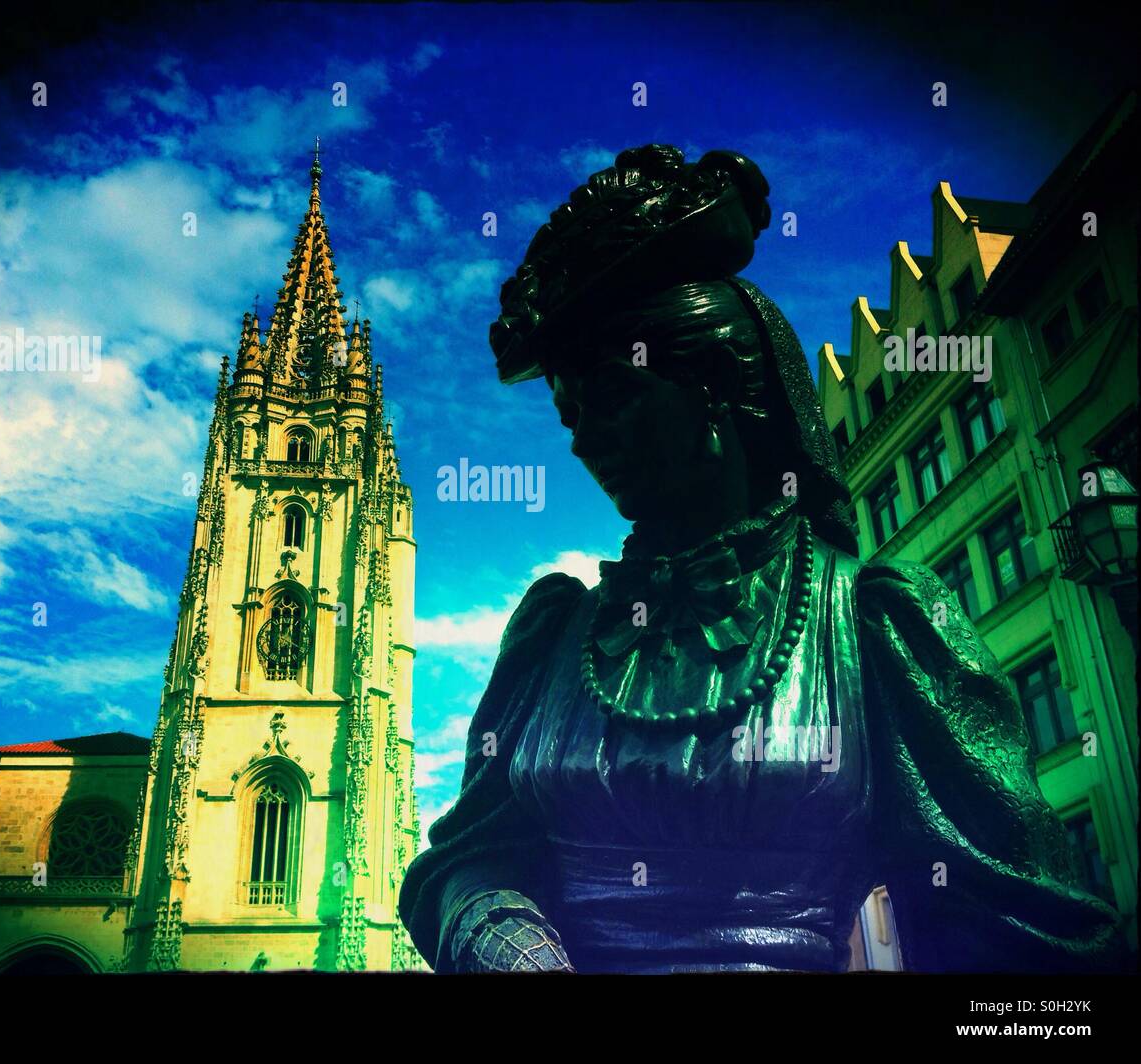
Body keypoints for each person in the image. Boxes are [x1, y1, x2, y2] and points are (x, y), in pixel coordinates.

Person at [398, 145, 1126, 973]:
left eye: (613, 399)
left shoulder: (871, 618)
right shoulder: (555, 631)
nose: (585, 442)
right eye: (570, 416)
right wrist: (508, 945)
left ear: (716, 390)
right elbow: (464, 858)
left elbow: (1018, 930)